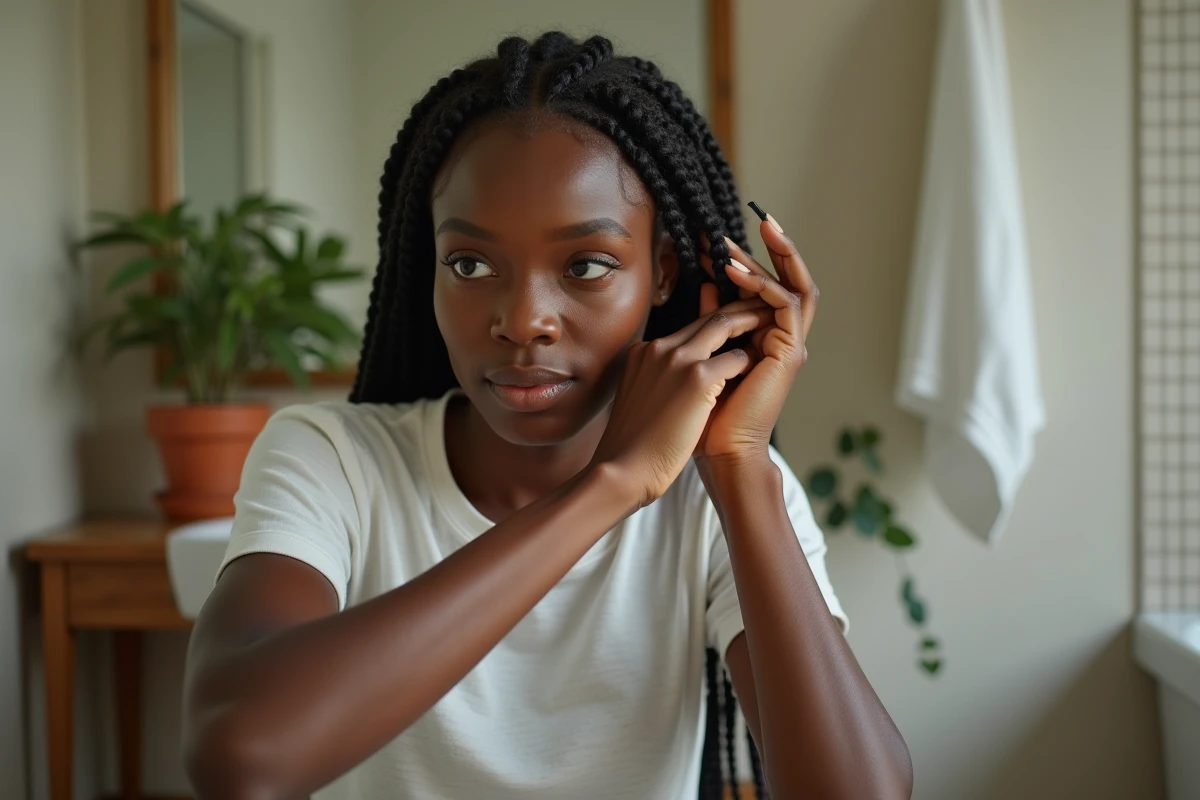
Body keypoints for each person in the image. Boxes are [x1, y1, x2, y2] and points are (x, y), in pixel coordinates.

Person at [181, 31, 911, 800]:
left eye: (585, 265)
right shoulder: (333, 458)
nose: (524, 319)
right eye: (470, 263)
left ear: (662, 273)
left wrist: (738, 465)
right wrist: (609, 487)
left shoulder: (716, 500)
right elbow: (240, 758)